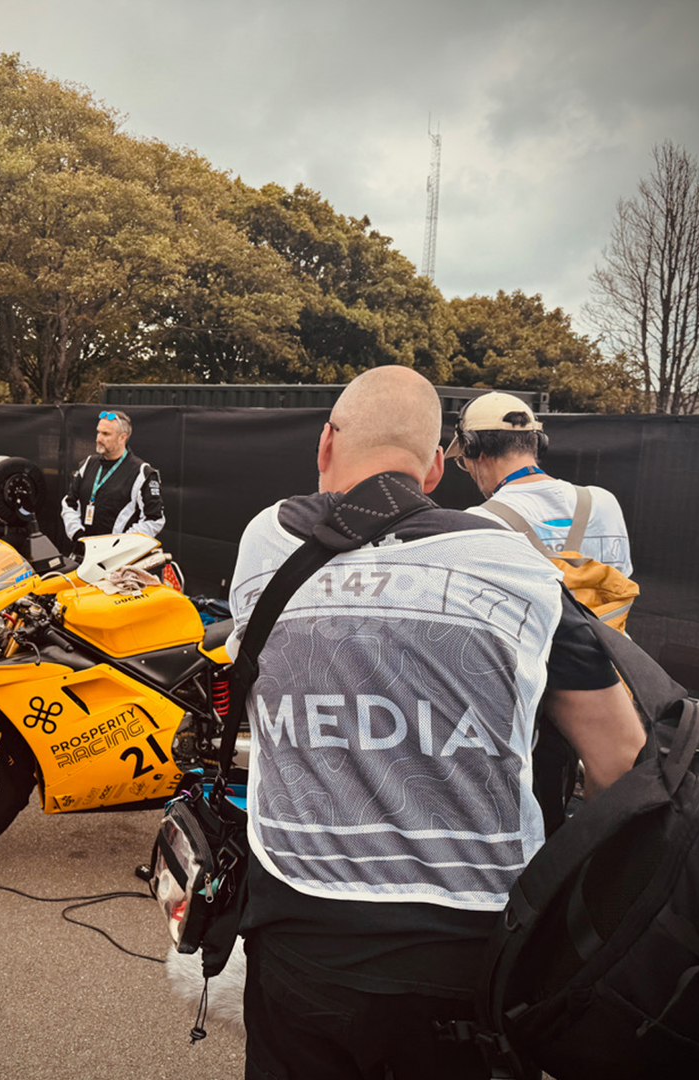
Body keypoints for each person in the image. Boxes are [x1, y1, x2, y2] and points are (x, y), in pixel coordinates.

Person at [230, 366, 646, 1080]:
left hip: (296, 939)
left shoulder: (265, 546)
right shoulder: (516, 572)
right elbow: (621, 765)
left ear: (326, 443)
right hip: (465, 958)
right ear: (430, 470)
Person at [449, 392, 633, 576]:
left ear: (474, 449)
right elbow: (623, 587)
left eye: (462, 458)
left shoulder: (478, 523)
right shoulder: (603, 503)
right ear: (538, 443)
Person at [59, 408, 165, 549]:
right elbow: (69, 503)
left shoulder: (142, 473)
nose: (98, 439)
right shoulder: (88, 464)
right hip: (84, 553)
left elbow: (155, 520)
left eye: (106, 434)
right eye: (98, 432)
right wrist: (78, 535)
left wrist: (119, 544)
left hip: (117, 560)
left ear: (122, 437)